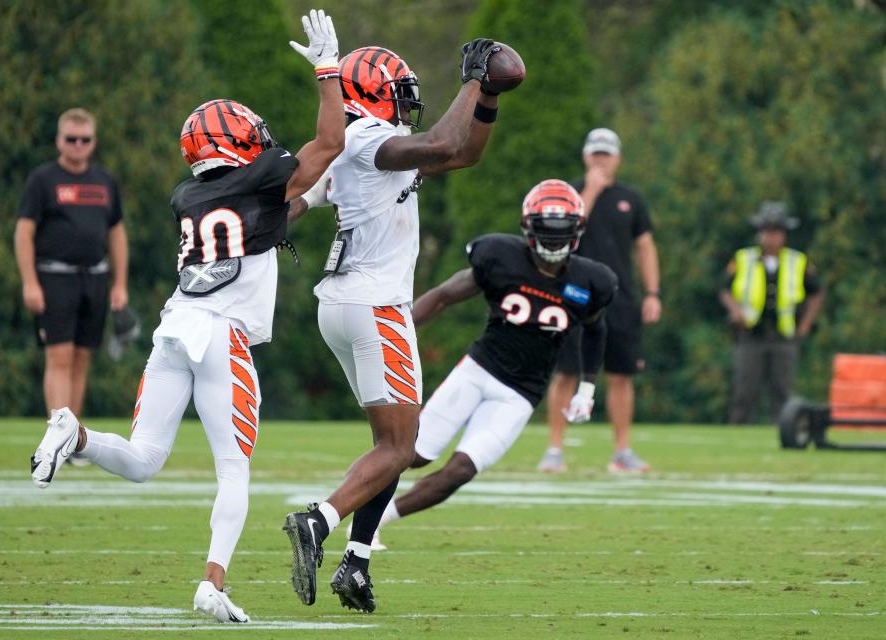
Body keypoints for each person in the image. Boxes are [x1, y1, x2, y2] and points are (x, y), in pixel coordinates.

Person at [29, 9, 345, 623]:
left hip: (176, 326)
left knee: (145, 460)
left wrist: (310, 198)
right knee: (233, 468)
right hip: (223, 337)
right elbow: (329, 143)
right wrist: (328, 71)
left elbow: (259, 227)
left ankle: (77, 433)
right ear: (233, 145)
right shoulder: (258, 178)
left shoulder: (192, 196)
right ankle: (212, 582)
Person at [283, 39, 506, 613]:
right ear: (367, 96)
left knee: (387, 444)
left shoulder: (355, 141)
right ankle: (319, 521)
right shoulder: (363, 136)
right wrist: (473, 79)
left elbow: (463, 154)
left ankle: (356, 565)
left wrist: (488, 96)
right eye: (395, 97)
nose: (403, 107)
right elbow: (441, 142)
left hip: (345, 303)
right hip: (375, 305)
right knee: (401, 446)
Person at [374, 180, 616, 547]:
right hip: (477, 370)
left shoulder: (590, 281)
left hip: (520, 394)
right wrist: (397, 333)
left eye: (560, 233)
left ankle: (377, 522)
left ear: (577, 232)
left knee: (460, 470)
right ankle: (345, 505)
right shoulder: (502, 257)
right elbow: (442, 297)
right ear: (528, 230)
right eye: (545, 232)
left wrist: (587, 387)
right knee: (411, 454)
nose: (552, 241)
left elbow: (596, 329)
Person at [537, 128, 660, 474]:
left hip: (620, 298)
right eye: (596, 153)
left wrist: (653, 293)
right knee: (566, 372)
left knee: (621, 375)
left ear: (618, 158)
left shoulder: (631, 199)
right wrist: (591, 189)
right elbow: (571, 227)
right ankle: (555, 449)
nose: (601, 159)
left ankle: (622, 451)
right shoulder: (570, 193)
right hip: (572, 295)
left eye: (607, 154)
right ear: (586, 156)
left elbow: (646, 246)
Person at [15, 107, 129, 418]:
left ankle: (72, 438)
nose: (78, 145)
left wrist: (119, 284)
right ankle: (58, 433)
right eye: (71, 139)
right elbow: (24, 232)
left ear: (93, 141)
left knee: (81, 357)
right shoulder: (43, 179)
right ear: (59, 140)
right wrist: (29, 282)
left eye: (85, 139)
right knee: (60, 356)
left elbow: (116, 233)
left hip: (95, 277)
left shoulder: (105, 180)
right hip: (54, 277)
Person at [719, 201, 824, 424]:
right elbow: (724, 289)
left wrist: (805, 323)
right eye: (767, 231)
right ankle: (739, 433)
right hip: (750, 334)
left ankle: (781, 433)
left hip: (784, 334)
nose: (771, 237)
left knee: (782, 391)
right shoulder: (743, 259)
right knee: (745, 391)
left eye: (776, 232)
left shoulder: (798, 261)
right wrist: (736, 311)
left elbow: (816, 292)